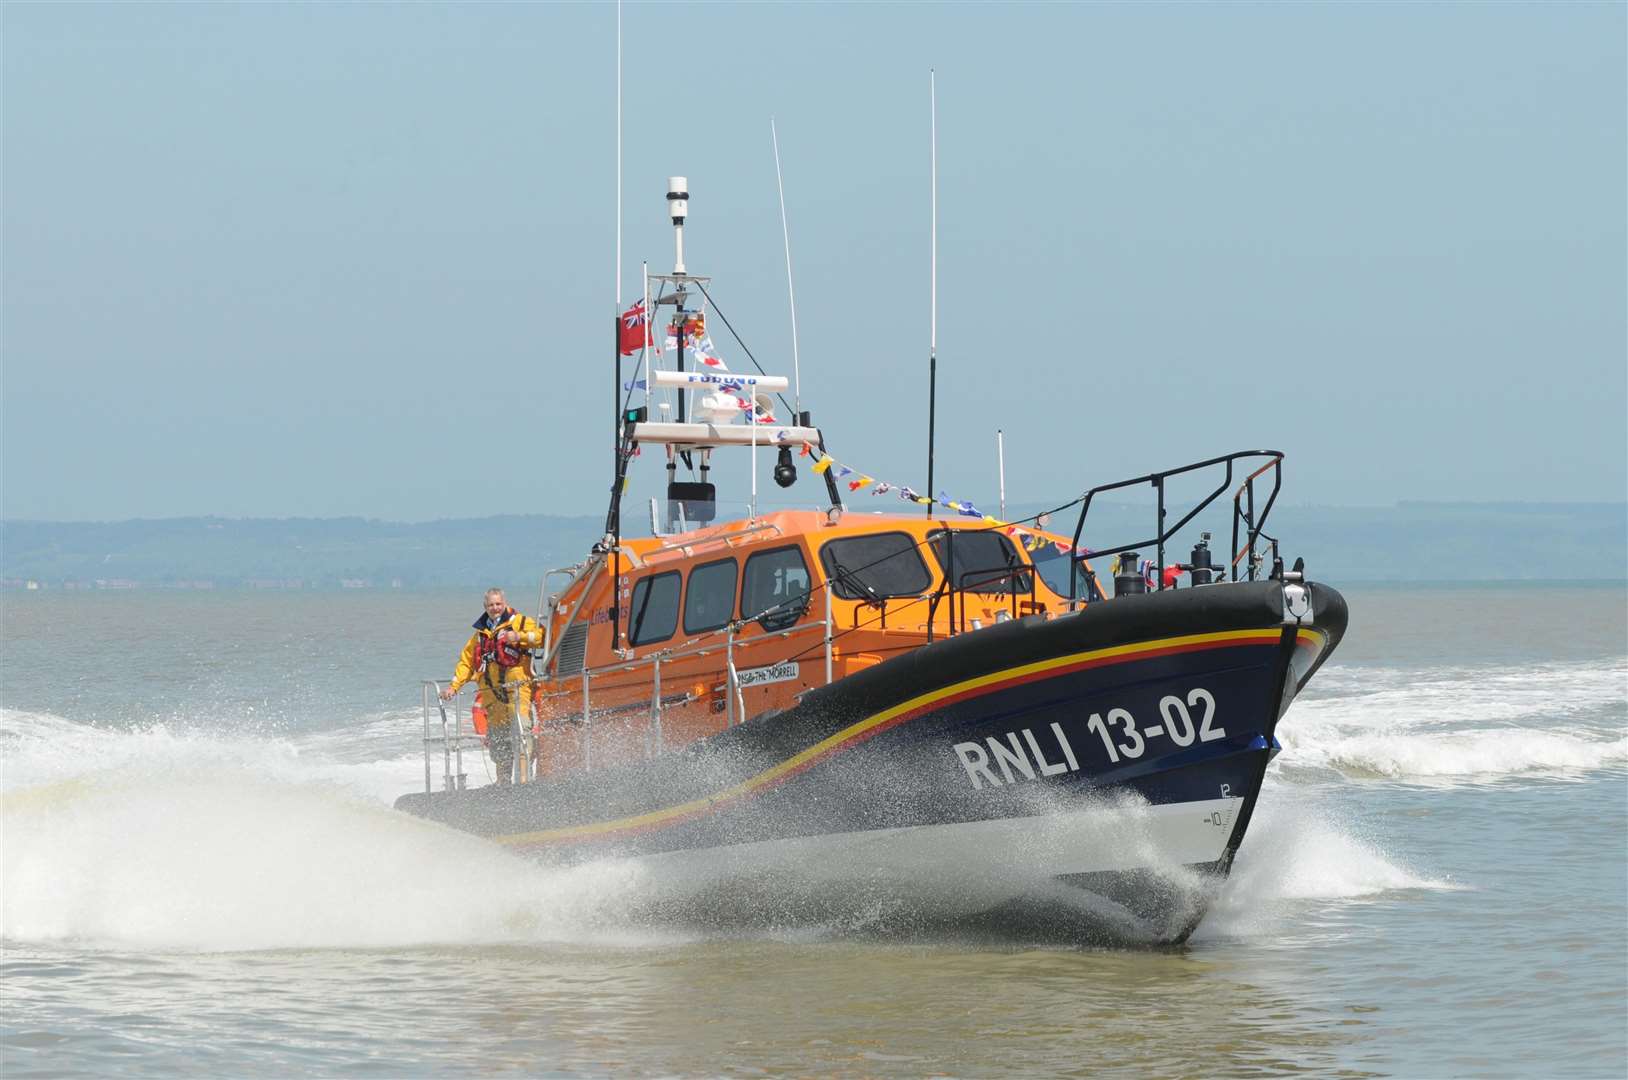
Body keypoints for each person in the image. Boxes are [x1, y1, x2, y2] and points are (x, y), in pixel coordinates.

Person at [440, 588, 544, 784]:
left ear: (504, 603)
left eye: (498, 604)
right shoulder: (480, 635)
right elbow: (466, 662)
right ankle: (502, 783)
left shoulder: (520, 622)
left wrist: (519, 637)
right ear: (485, 607)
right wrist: (454, 687)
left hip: (517, 688)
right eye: (491, 605)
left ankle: (523, 781)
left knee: (522, 732)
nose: (495, 608)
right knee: (499, 740)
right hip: (492, 694)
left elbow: (541, 637)